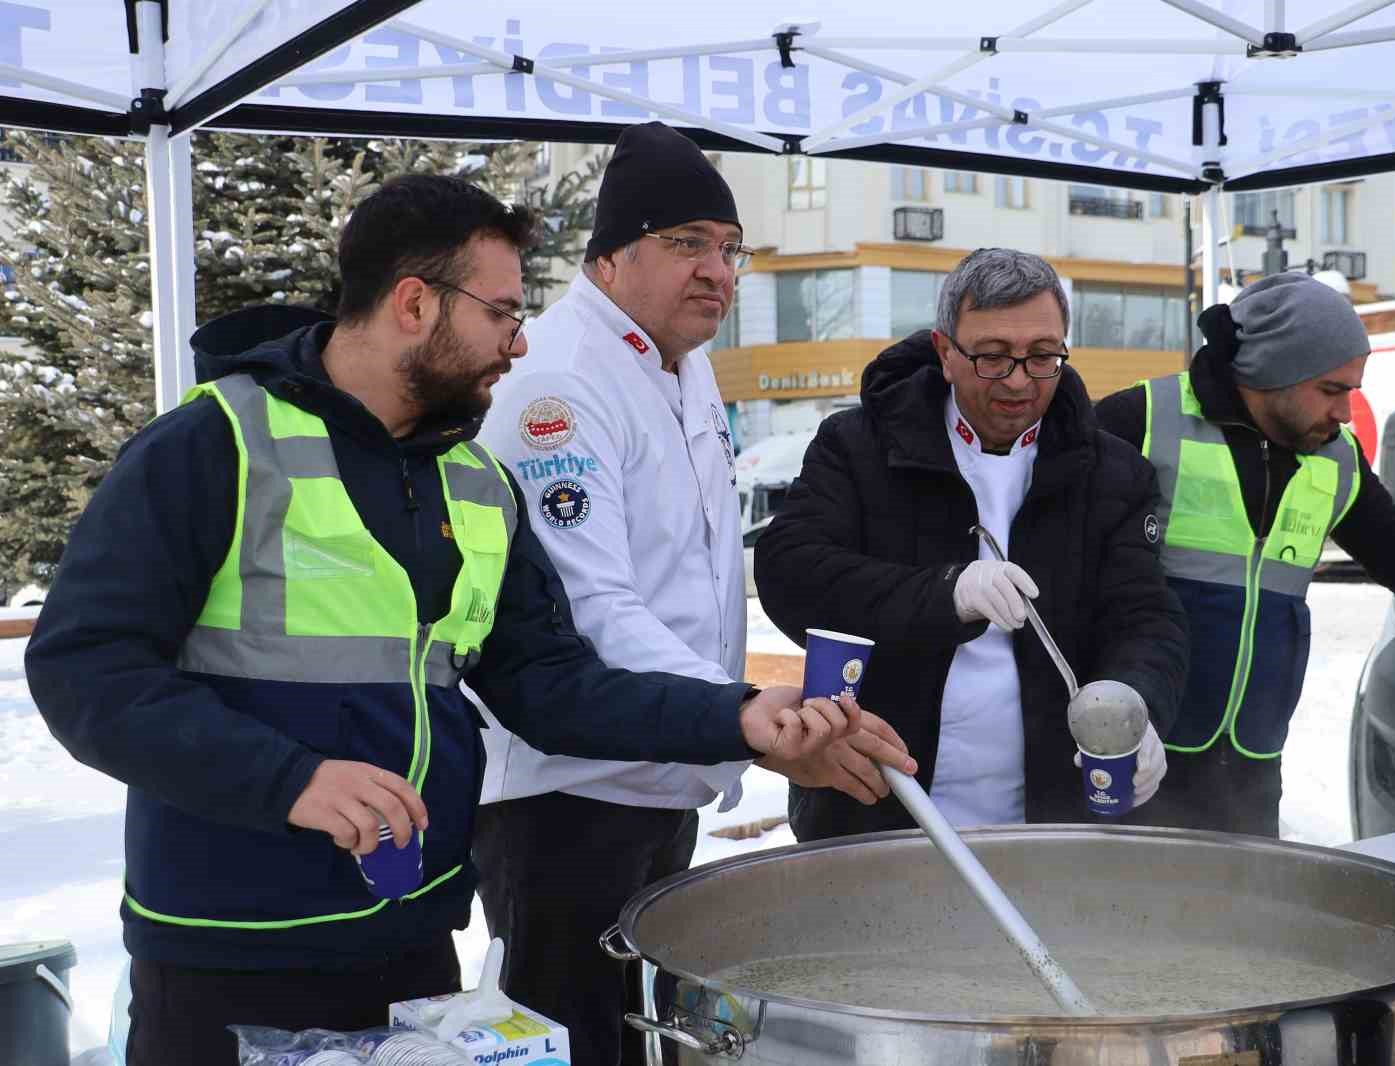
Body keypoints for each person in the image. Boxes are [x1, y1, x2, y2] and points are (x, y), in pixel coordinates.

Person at [24, 174, 864, 1066]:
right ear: (415, 304)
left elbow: (549, 684)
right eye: (501, 312)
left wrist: (733, 717)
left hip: (412, 939)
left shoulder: (474, 482)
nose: (520, 339)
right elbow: (84, 668)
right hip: (227, 950)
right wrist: (289, 779)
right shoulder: (214, 443)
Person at [473, 122, 914, 1066]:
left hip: (666, 768)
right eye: (686, 245)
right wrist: (748, 712)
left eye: (729, 248)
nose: (717, 270)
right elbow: (593, 613)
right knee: (576, 1037)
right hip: (568, 793)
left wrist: (733, 717)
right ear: (610, 256)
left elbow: (700, 567)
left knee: (644, 1036)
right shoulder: (556, 381)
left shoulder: (687, 363)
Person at [1096, 271, 1395, 837]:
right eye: (1331, 390)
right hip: (1139, 750)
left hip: (1250, 763)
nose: (1346, 413)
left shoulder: (1335, 457)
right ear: (1272, 373)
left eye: (1352, 390)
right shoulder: (1141, 421)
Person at [755, 248, 1188, 841]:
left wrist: (1137, 710)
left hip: (1048, 817)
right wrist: (945, 593)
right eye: (991, 357)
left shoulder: (1111, 471)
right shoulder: (860, 447)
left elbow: (1145, 617)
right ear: (944, 353)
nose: (1017, 380)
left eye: (1042, 357)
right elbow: (790, 575)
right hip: (877, 800)